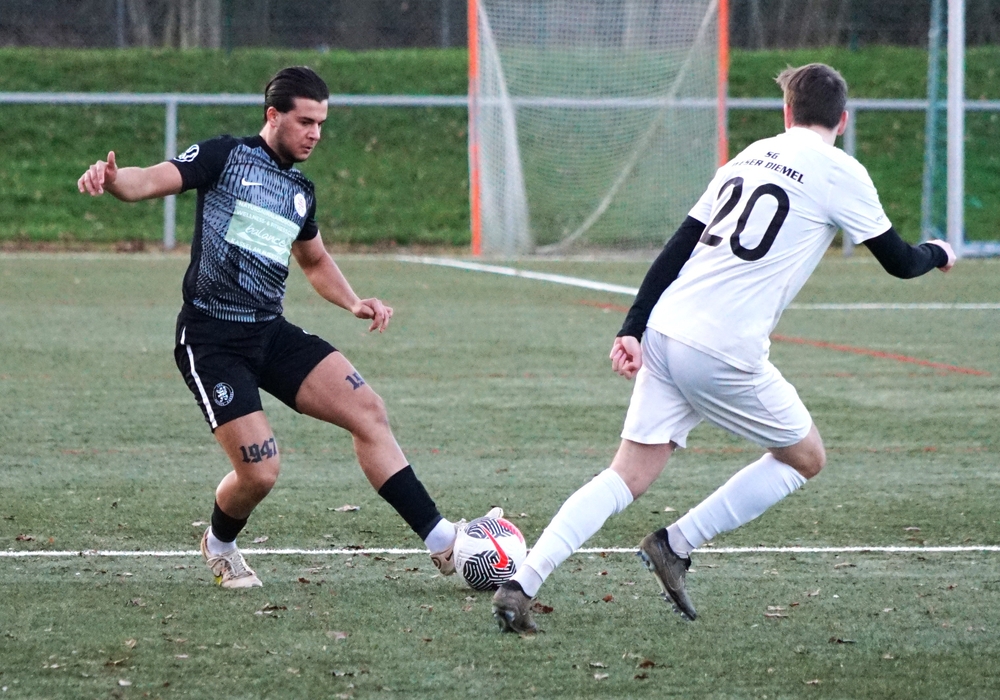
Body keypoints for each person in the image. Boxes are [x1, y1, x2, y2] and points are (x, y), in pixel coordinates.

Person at [491, 63, 956, 632]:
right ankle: (676, 542)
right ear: (843, 120)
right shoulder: (841, 171)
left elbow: (678, 246)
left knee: (624, 476)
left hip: (666, 329)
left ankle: (521, 584)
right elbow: (900, 262)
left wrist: (632, 326)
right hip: (722, 349)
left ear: (787, 112)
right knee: (806, 457)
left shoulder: (750, 155)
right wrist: (938, 252)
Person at [78, 66, 479, 588]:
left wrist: (353, 301)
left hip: (270, 333)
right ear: (274, 116)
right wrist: (113, 180)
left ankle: (443, 543)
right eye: (306, 122)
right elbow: (150, 180)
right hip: (212, 340)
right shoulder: (225, 157)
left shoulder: (300, 191)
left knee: (368, 412)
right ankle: (220, 543)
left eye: (321, 123)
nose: (316, 134)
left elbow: (314, 260)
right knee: (260, 472)